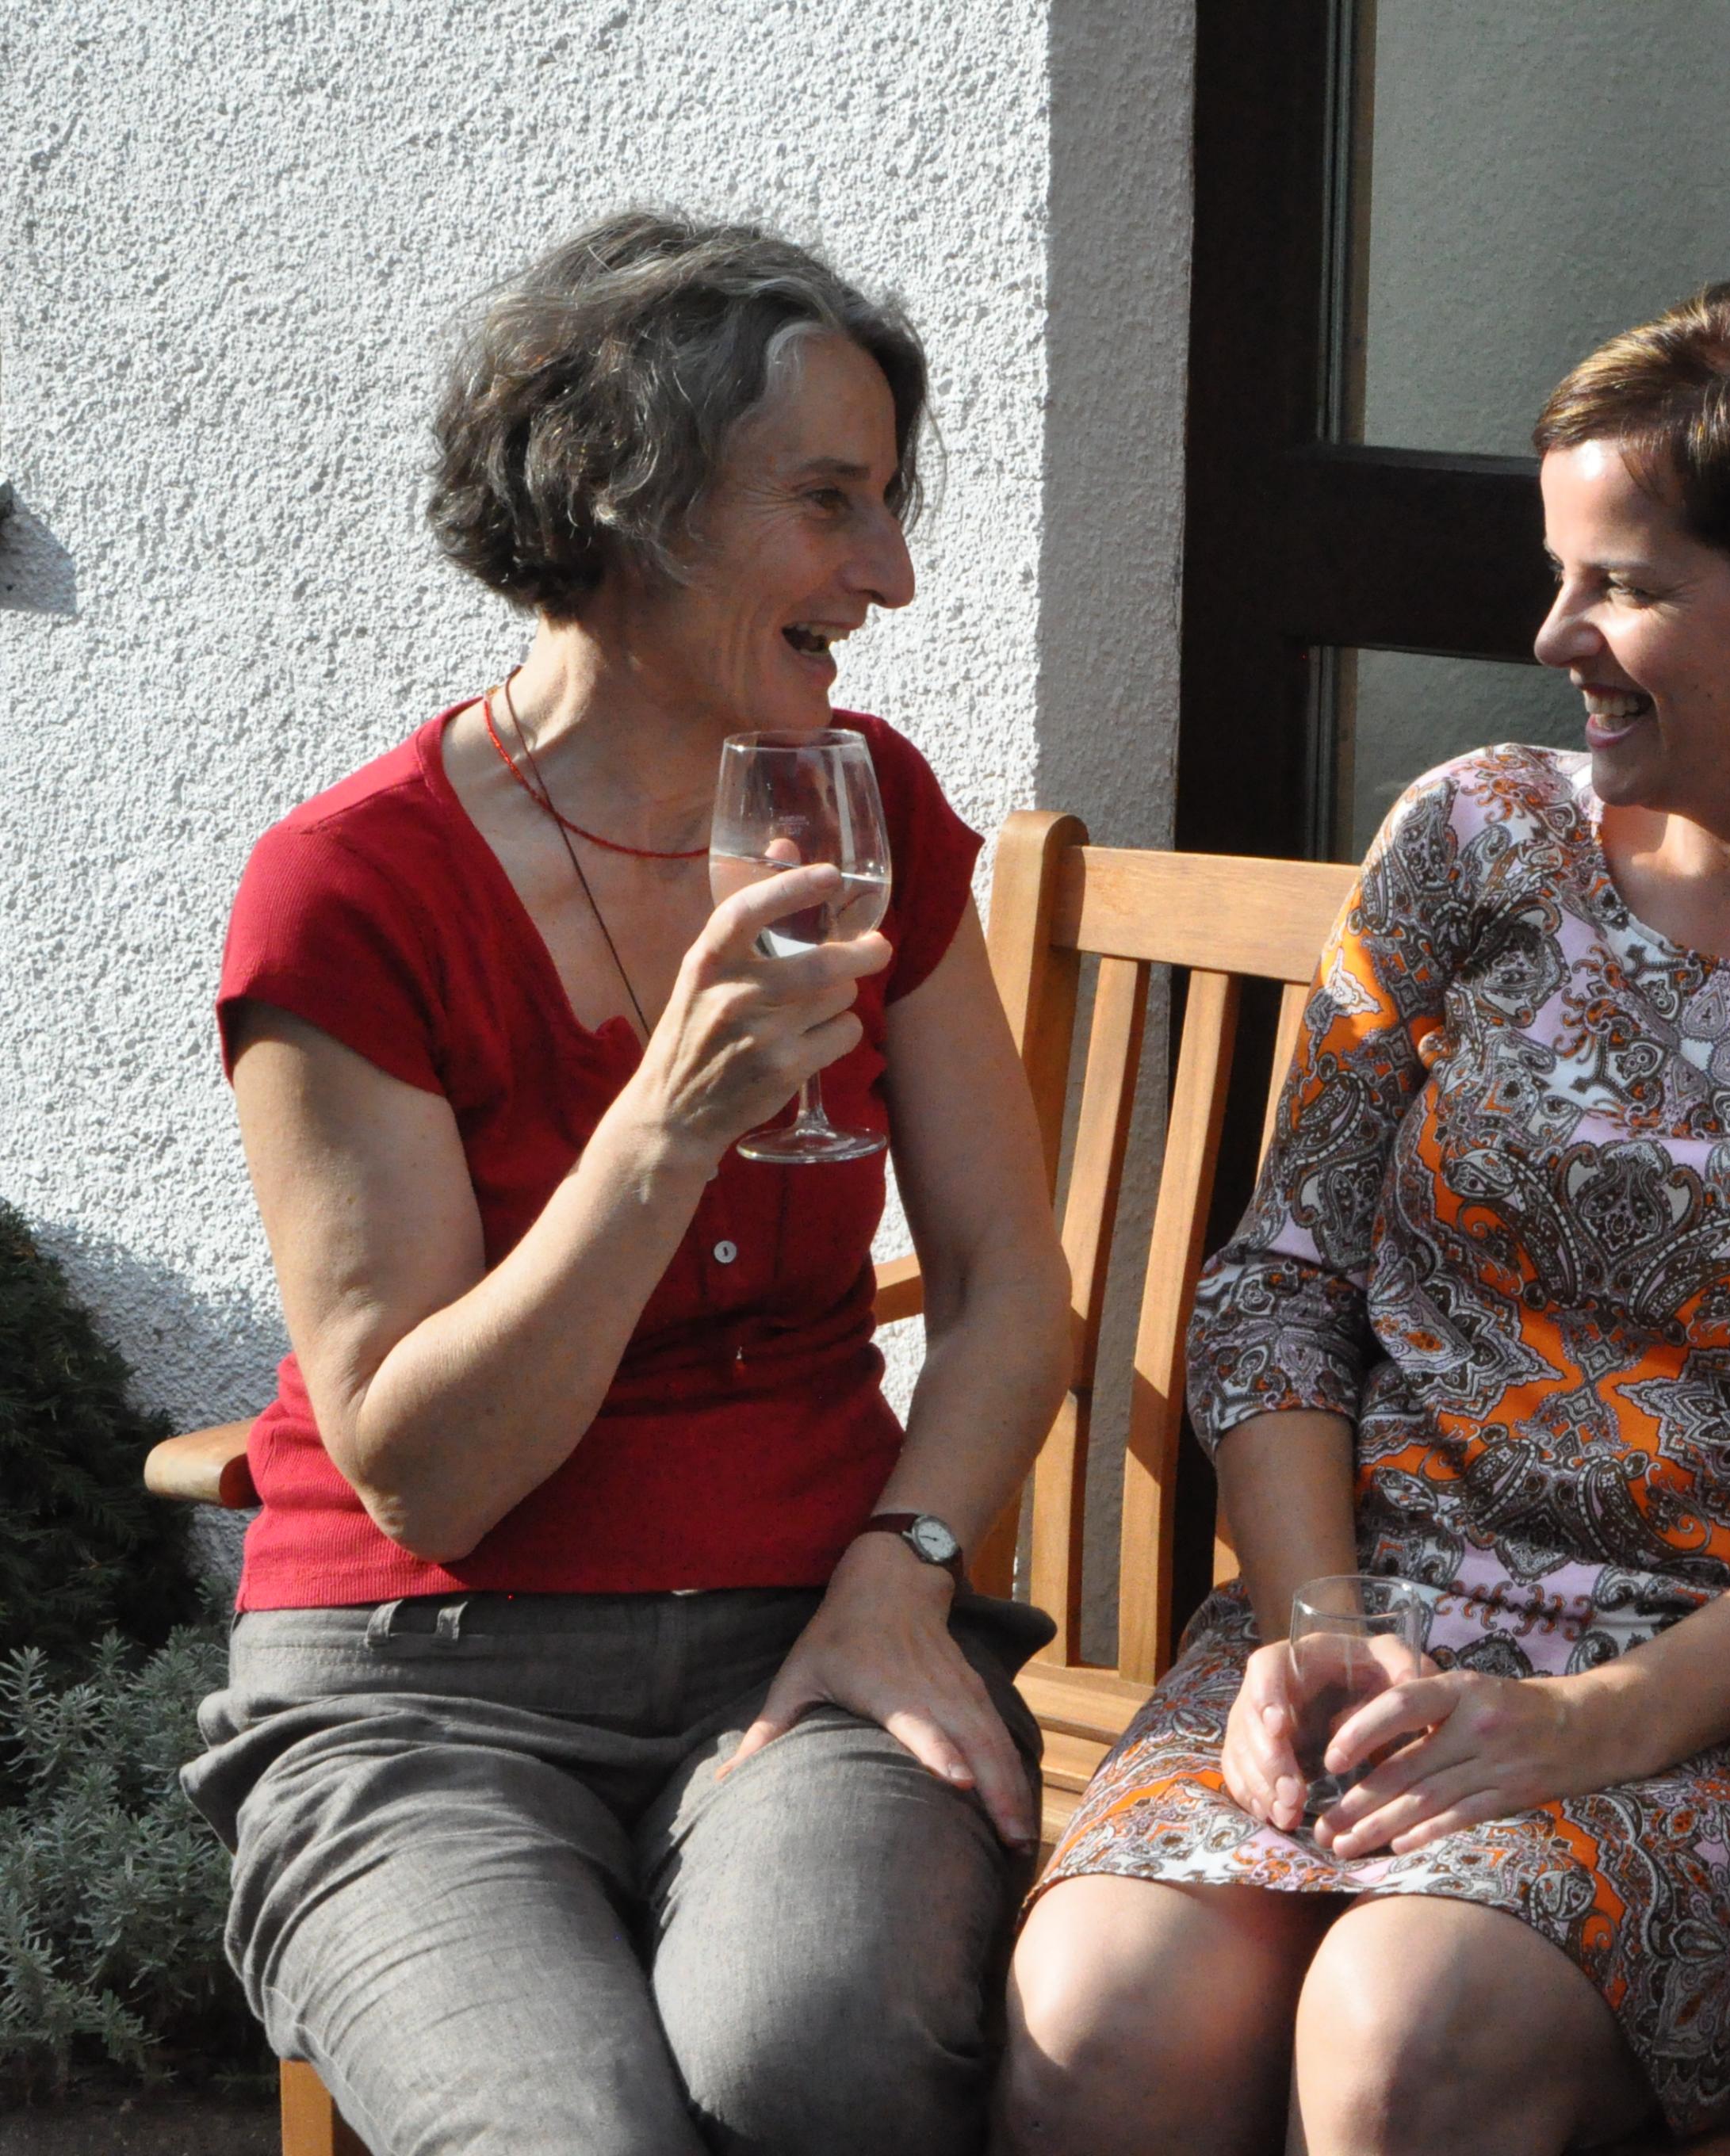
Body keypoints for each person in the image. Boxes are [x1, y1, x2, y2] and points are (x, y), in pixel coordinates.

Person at [997, 275, 1730, 2154]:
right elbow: (1279, 1283)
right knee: (1104, 2006)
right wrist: (1311, 1624)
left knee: (1404, 2025)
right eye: (1559, 575)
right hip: (1370, 1629)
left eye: (1618, 587)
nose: (1553, 636)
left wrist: (1595, 1720)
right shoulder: (1474, 840)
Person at [186, 212, 1074, 2156]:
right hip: (418, 1686)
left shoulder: (868, 813)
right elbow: (429, 1473)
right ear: (626, 500)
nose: (890, 574)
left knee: (813, 2059)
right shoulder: (353, 890)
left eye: (890, 502)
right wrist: (664, 1129)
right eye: (827, 503)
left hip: (809, 1631)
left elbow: (1010, 1283)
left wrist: (903, 1575)